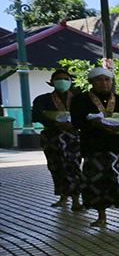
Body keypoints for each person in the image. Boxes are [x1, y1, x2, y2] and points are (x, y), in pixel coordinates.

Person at [70, 66, 119, 227]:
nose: (104, 83)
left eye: (107, 80)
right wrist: (95, 124)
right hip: (94, 147)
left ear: (111, 81)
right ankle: (101, 215)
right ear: (91, 81)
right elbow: (77, 122)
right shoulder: (80, 100)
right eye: (99, 80)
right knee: (98, 181)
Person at [32, 69, 83, 210]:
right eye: (59, 79)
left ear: (71, 81)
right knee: (56, 166)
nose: (63, 81)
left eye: (66, 79)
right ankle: (63, 196)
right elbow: (36, 115)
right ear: (52, 82)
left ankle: (76, 200)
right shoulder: (42, 99)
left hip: (73, 136)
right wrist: (55, 123)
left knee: (73, 166)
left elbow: (85, 115)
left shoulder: (78, 98)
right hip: (51, 137)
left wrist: (73, 124)